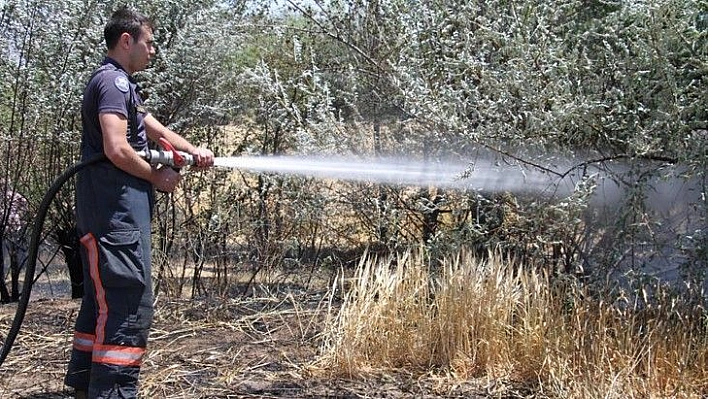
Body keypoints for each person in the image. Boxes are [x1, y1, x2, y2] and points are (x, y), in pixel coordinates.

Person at [64, 8, 214, 398]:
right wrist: (155, 175)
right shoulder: (114, 82)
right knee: (129, 303)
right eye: (148, 42)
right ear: (126, 41)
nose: (153, 50)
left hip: (108, 211)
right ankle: (111, 393)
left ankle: (85, 387)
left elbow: (154, 130)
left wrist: (194, 152)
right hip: (116, 216)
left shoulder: (119, 84)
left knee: (102, 302)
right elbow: (117, 148)